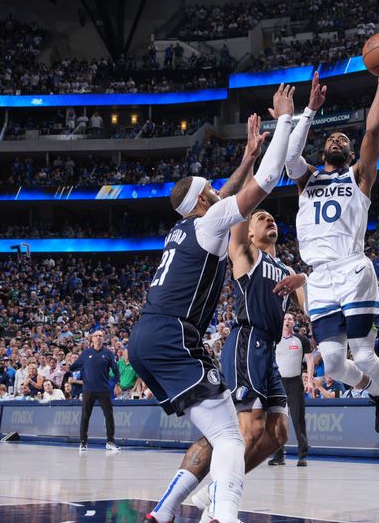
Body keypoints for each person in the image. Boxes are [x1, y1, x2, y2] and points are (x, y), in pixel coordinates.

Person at [129, 86, 295, 523]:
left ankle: (165, 513)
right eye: (212, 191)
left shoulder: (183, 229)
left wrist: (245, 157)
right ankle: (222, 514)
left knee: (220, 431)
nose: (218, 194)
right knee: (229, 437)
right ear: (204, 201)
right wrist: (283, 122)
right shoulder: (211, 221)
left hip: (147, 336)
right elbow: (269, 178)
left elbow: (223, 195)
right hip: (173, 335)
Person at [285, 68, 379, 464]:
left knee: (362, 356)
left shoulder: (359, 176)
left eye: (344, 138)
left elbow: (373, 134)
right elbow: (290, 155)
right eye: (333, 139)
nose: (339, 141)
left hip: (353, 269)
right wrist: (308, 110)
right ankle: (376, 392)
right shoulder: (305, 179)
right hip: (319, 278)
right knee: (334, 363)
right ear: (323, 151)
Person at [187, 205, 309, 517]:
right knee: (250, 426)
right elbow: (238, 214)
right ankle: (221, 503)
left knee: (279, 432)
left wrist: (304, 278)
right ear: (250, 231)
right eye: (261, 217)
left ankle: (216, 487)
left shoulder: (285, 269)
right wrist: (254, 183)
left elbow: (308, 311)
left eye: (272, 217)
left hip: (269, 348)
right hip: (247, 340)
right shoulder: (247, 255)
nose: (270, 218)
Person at [270, 313, 314, 466]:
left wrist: (310, 380)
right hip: (278, 383)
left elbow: (309, 361)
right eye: (285, 318)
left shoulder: (302, 340)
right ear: (280, 322)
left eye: (290, 319)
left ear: (294, 322)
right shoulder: (274, 340)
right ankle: (278, 456)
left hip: (295, 383)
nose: (288, 321)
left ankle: (302, 456)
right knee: (277, 420)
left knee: (298, 419)